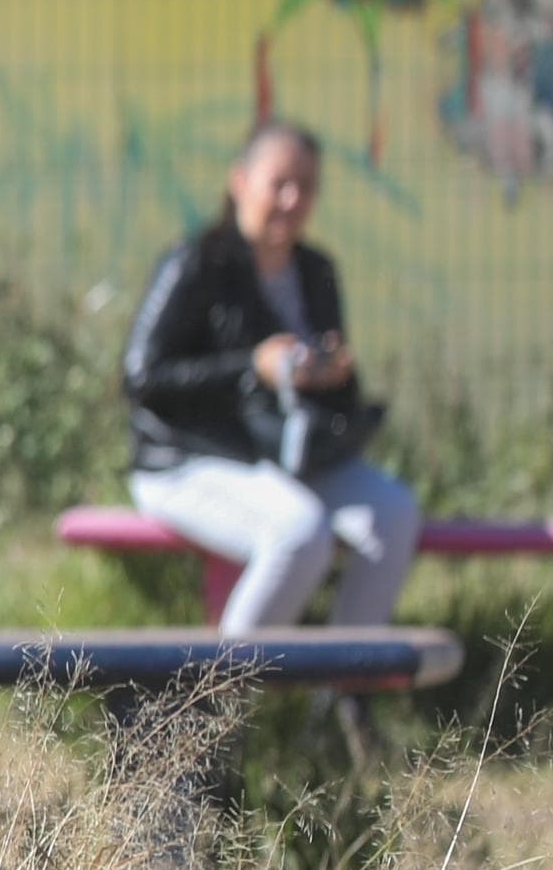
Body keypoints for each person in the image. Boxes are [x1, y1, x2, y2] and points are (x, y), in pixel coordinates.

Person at [123, 120, 419, 637]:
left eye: (306, 187)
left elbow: (333, 385)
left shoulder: (315, 269)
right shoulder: (195, 263)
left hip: (288, 456)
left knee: (393, 514)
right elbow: (140, 378)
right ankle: (216, 706)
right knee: (299, 532)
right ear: (240, 182)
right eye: (279, 183)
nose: (292, 199)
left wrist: (331, 374)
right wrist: (250, 367)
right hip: (188, 459)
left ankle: (342, 697)